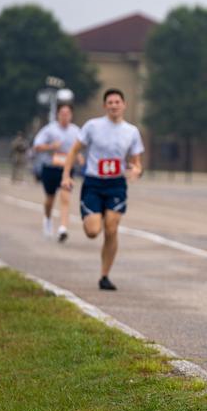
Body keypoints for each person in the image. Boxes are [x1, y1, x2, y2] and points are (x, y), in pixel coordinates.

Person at [61, 88, 144, 291]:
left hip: (116, 184)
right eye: (110, 102)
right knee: (92, 231)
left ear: (124, 105)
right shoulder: (93, 126)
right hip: (94, 183)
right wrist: (66, 176)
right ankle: (90, 219)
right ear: (105, 106)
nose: (114, 105)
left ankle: (104, 275)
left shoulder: (131, 131)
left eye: (117, 102)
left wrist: (136, 170)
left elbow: (136, 162)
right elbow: (73, 151)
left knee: (112, 228)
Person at [32, 103, 82, 241]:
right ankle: (47, 219)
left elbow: (77, 149)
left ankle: (63, 228)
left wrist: (79, 157)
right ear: (58, 114)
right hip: (50, 168)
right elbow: (36, 146)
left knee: (65, 197)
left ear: (71, 115)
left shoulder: (76, 131)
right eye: (62, 113)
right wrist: (50, 146)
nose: (65, 116)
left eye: (67, 113)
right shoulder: (49, 130)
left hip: (66, 169)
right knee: (50, 199)